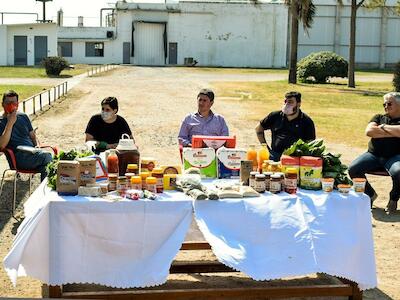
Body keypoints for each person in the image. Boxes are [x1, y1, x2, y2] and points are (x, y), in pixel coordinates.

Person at [349, 92, 400, 214]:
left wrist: (381, 128)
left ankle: (393, 198)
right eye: (384, 104)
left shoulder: (381, 123)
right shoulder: (378, 117)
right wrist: (393, 131)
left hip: (395, 157)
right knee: (353, 169)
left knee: (399, 172)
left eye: (389, 103)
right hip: (373, 155)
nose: (385, 106)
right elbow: (369, 131)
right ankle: (370, 194)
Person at [0, 90, 52, 181]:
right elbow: (1, 145)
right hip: (19, 158)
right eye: (8, 103)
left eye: (13, 102)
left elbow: (32, 136)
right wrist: (10, 123)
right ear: (2, 104)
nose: (11, 105)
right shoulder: (1, 122)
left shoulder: (23, 116)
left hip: (33, 153)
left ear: (17, 104)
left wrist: (36, 146)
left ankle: (44, 190)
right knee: (48, 157)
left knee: (46, 168)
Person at [255, 91, 316, 161]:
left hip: (295, 158)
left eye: (290, 102)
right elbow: (258, 128)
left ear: (299, 104)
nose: (287, 104)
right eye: (285, 101)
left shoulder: (306, 121)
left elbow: (311, 143)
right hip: (275, 156)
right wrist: (265, 148)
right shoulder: (275, 116)